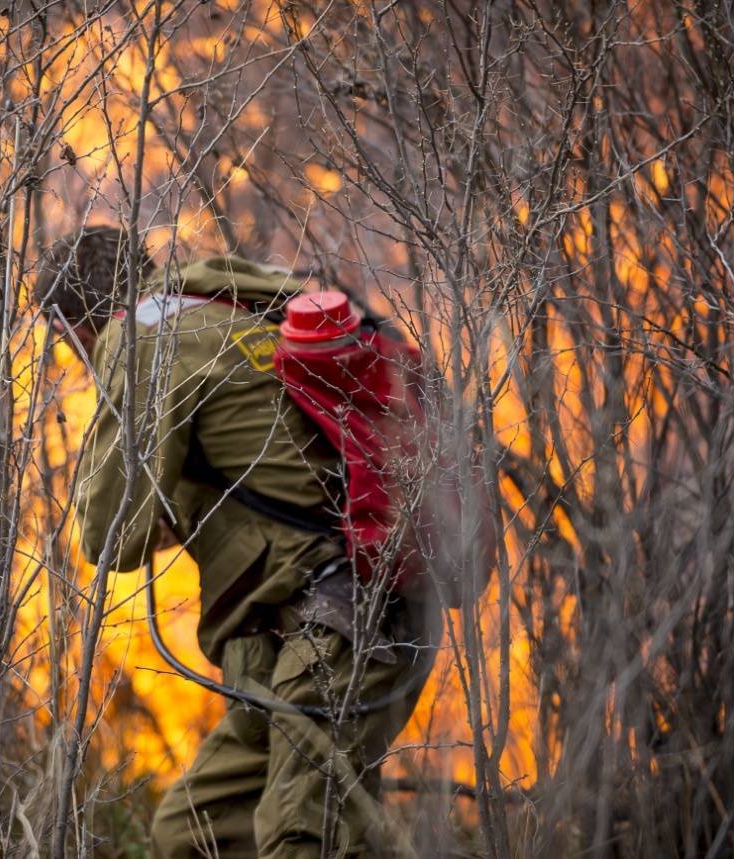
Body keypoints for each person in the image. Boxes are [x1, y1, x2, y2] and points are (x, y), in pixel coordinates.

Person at [37, 225, 440, 859]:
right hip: (337, 621)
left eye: (65, 344)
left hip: (339, 620)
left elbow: (109, 532)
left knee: (300, 838)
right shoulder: (232, 307)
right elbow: (262, 470)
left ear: (74, 324)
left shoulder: (142, 336)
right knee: (194, 833)